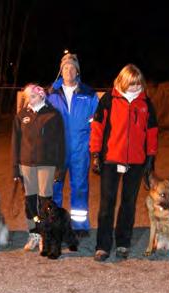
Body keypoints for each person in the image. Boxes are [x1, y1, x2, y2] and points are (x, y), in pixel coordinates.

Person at [89, 64, 158, 262]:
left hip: (136, 161)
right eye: (132, 85)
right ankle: (102, 245)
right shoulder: (108, 100)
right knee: (106, 204)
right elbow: (97, 127)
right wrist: (95, 153)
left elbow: (152, 132)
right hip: (111, 159)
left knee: (128, 204)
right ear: (122, 82)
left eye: (138, 85)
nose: (136, 89)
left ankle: (123, 242)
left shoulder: (146, 103)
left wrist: (150, 157)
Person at [47, 53, 99, 237]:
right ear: (61, 71)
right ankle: (54, 223)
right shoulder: (50, 94)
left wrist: (94, 149)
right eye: (65, 67)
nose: (69, 71)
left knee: (80, 186)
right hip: (57, 150)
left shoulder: (89, 94)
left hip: (80, 148)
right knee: (54, 188)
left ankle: (79, 225)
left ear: (77, 71)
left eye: (72, 67)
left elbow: (97, 124)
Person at [12, 84, 65, 251]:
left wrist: (60, 168)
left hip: (47, 164)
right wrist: (15, 168)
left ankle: (45, 235)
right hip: (26, 164)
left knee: (45, 201)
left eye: (33, 97)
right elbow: (15, 144)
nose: (30, 100)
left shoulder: (53, 115)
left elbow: (60, 143)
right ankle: (33, 232)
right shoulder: (21, 116)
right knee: (30, 201)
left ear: (41, 95)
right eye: (27, 98)